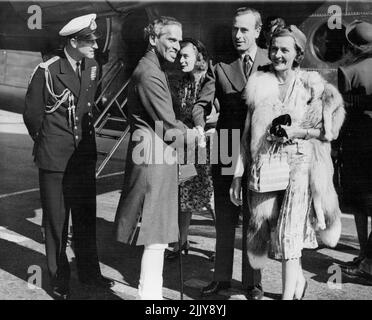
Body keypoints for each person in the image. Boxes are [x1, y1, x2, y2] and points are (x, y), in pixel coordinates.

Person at [230, 25, 345, 299]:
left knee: (288, 237)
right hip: (266, 171)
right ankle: (297, 286)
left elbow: (328, 132)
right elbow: (246, 135)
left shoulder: (312, 86)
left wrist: (298, 132)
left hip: (299, 170)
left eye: (285, 49)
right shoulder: (259, 83)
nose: (278, 54)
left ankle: (286, 296)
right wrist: (237, 175)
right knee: (274, 234)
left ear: (297, 54)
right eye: (274, 49)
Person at [23, 14, 114, 300]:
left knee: (86, 218)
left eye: (96, 39)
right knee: (56, 221)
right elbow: (33, 116)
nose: (95, 44)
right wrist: (50, 142)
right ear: (73, 42)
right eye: (90, 40)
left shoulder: (92, 67)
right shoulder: (47, 71)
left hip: (82, 157)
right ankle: (59, 279)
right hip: (55, 159)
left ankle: (90, 273)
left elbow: (87, 108)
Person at [114, 17, 200, 300]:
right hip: (154, 159)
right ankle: (149, 296)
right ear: (154, 39)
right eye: (171, 39)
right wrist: (197, 136)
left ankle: (149, 292)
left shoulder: (153, 68)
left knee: (158, 234)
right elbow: (167, 123)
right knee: (155, 234)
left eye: (179, 40)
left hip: (155, 157)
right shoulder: (150, 73)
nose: (177, 45)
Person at [193, 7, 270, 299]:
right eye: (235, 29)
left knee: (256, 220)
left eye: (244, 30)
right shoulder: (221, 65)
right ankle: (221, 279)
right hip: (227, 147)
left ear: (257, 31)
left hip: (260, 150)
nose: (238, 35)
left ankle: (253, 282)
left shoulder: (271, 61)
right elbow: (201, 104)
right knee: (225, 220)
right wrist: (200, 125)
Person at [165, 38, 214, 260]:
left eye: (186, 56)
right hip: (185, 146)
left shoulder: (209, 81)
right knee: (184, 196)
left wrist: (204, 128)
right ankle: (181, 243)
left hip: (208, 145)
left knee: (211, 199)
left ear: (199, 58)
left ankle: (221, 249)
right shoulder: (180, 81)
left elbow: (205, 111)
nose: (181, 59)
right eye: (180, 55)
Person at [338, 20, 372, 283]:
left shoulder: (347, 71)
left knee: (359, 203)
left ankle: (365, 255)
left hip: (356, 146)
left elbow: (341, 115)